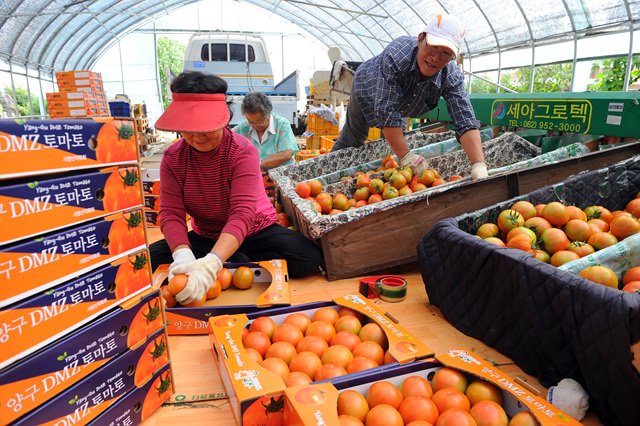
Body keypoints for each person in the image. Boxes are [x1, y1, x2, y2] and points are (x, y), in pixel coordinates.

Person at [150, 71, 324, 305]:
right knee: (148, 260)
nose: (198, 137)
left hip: (253, 231)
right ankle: (233, 259)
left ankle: (228, 258)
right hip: (206, 234)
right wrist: (182, 254)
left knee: (307, 258)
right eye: (188, 129)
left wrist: (212, 263)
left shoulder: (242, 151)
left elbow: (242, 213)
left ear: (224, 119)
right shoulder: (173, 157)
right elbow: (171, 213)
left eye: (206, 128)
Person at [331, 13, 489, 181]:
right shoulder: (397, 55)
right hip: (366, 87)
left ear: (452, 57)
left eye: (445, 53)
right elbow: (386, 111)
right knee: (353, 138)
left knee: (391, 148)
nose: (435, 58)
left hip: (401, 101)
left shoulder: (451, 75)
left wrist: (479, 164)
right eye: (433, 47)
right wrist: (406, 155)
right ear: (421, 39)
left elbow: (464, 119)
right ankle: (322, 179)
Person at [233, 92, 299, 170]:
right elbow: (227, 136)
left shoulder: (281, 124)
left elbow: (286, 154)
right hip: (256, 175)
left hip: (281, 174)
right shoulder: (243, 127)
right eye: (250, 121)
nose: (254, 125)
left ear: (268, 114)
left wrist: (257, 165)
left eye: (259, 121)